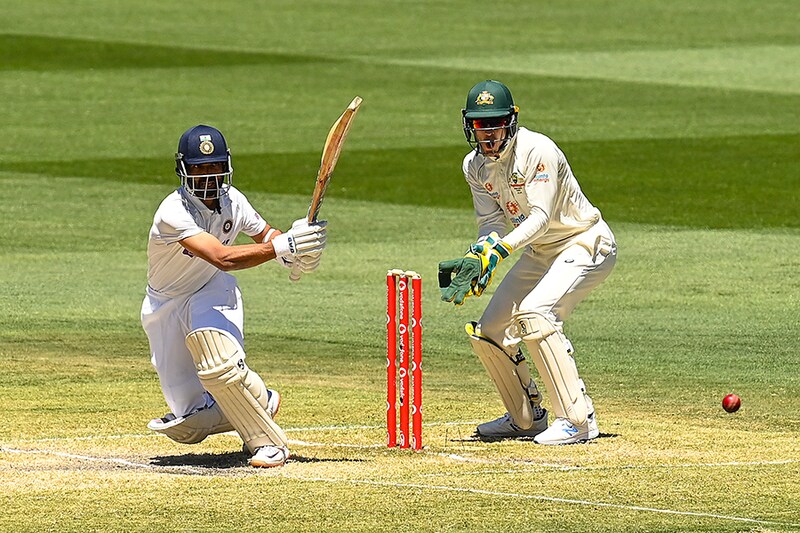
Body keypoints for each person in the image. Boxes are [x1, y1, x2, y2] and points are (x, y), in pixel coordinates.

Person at [438, 80, 617, 445]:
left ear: (511, 121)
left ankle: (578, 420)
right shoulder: (474, 166)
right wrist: (480, 254)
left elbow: (541, 218)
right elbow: (490, 223)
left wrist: (498, 252)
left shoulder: (539, 151)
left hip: (584, 242)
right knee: (491, 329)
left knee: (536, 312)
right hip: (541, 252)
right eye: (479, 125)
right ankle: (526, 417)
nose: (487, 134)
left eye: (495, 124)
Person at [142, 124, 327, 467]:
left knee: (218, 361)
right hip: (165, 304)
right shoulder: (173, 212)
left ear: (226, 166)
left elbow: (265, 234)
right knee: (191, 423)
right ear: (184, 170)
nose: (208, 176)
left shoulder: (233, 201)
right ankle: (258, 399)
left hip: (211, 288)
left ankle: (265, 442)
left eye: (214, 167)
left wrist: (294, 247)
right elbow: (222, 257)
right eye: (199, 168)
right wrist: (282, 246)